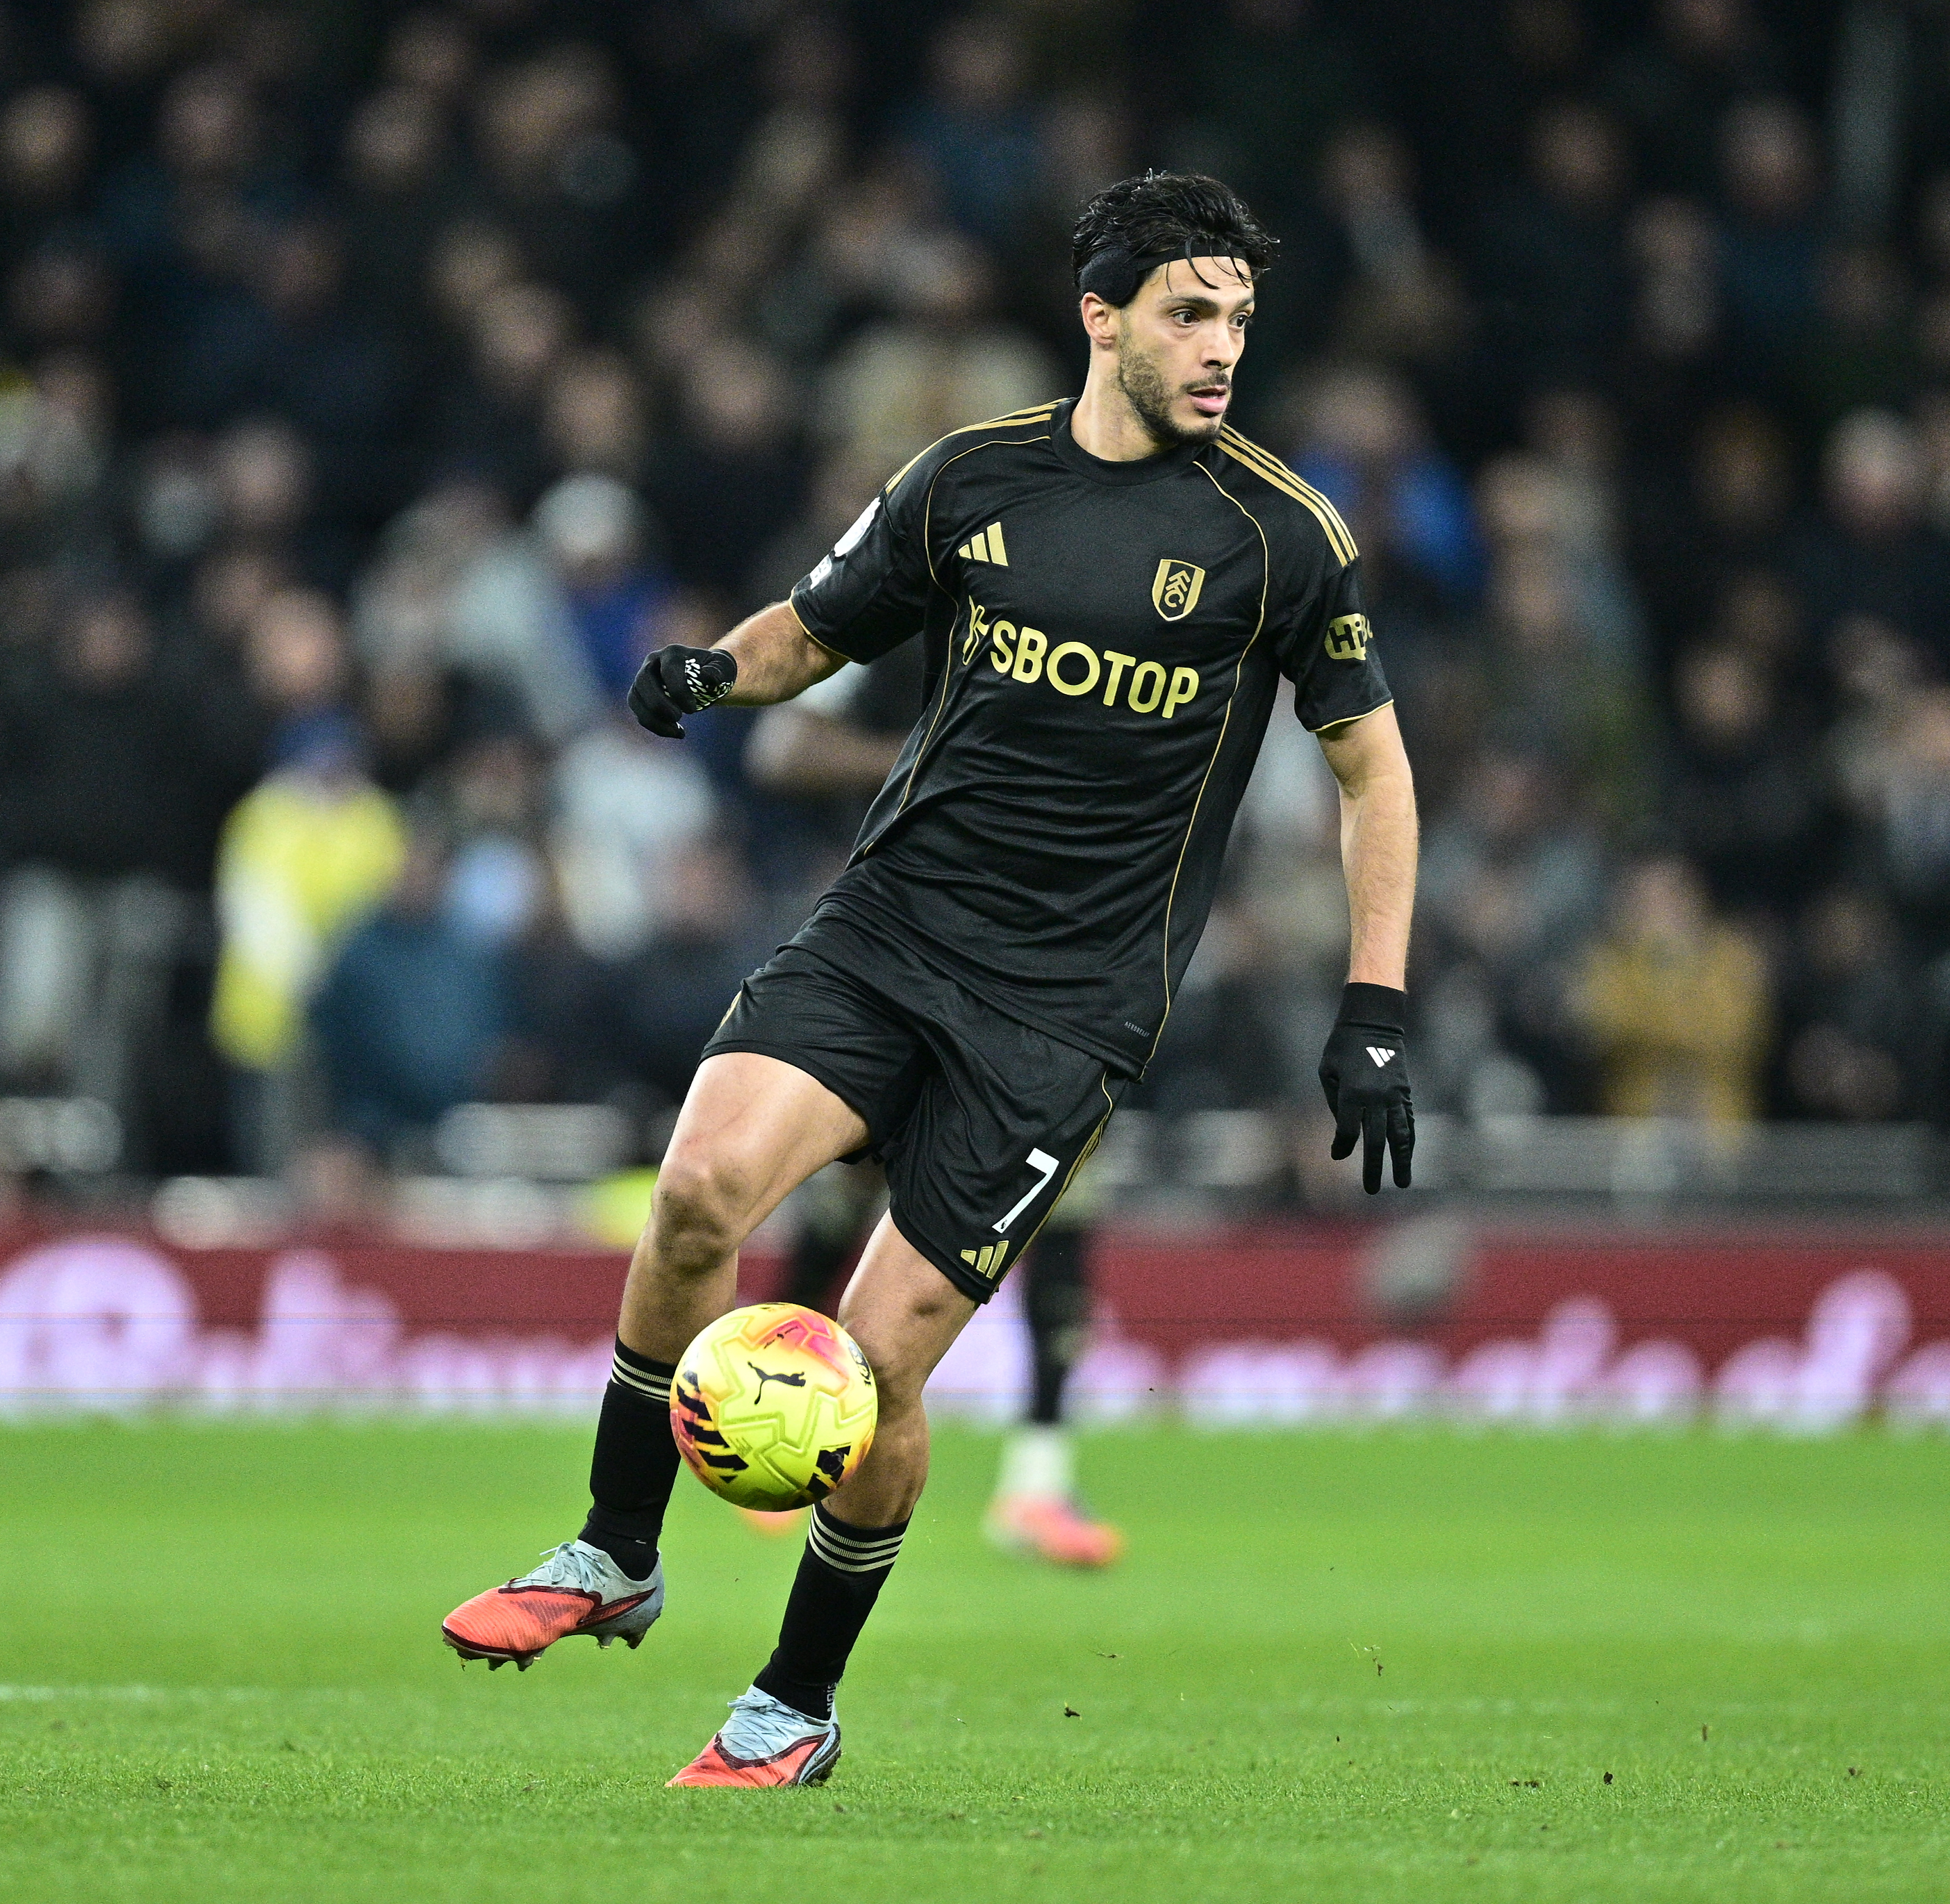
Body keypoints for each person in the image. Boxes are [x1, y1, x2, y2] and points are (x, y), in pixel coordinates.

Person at [438, 172, 1419, 1787]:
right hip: (889, 933)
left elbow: (1374, 779)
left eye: (1238, 317)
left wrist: (1373, 1009)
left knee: (873, 1363)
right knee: (695, 1198)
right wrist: (711, 672)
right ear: (1098, 318)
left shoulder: (1281, 539)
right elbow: (818, 631)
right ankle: (615, 1548)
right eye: (1189, 311)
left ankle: (791, 1708)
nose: (1221, 345)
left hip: (1063, 1014)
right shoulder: (970, 482)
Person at [745, 643, 1121, 1570]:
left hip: (1042, 965)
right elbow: (777, 750)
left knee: (1067, 1199)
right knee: (849, 1196)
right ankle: (765, 1428)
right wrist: (929, 755)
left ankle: (1038, 1481)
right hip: (896, 950)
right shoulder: (898, 627)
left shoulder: (1076, 634)